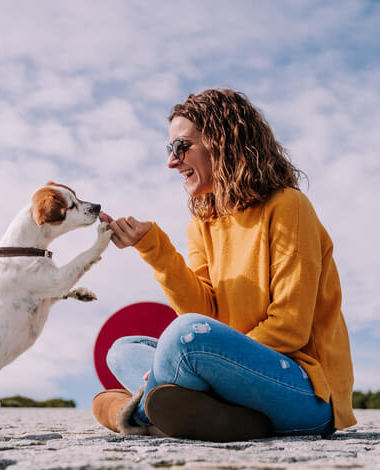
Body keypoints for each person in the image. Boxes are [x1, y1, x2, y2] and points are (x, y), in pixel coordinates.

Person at [93, 88, 355, 440]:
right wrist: (150, 246)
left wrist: (211, 362)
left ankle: (130, 412)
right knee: (123, 351)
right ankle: (222, 415)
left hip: (305, 391)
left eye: (180, 147)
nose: (172, 162)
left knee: (183, 339)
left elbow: (291, 328)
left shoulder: (289, 206)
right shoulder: (202, 224)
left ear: (222, 140)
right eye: (169, 150)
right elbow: (203, 311)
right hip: (234, 381)